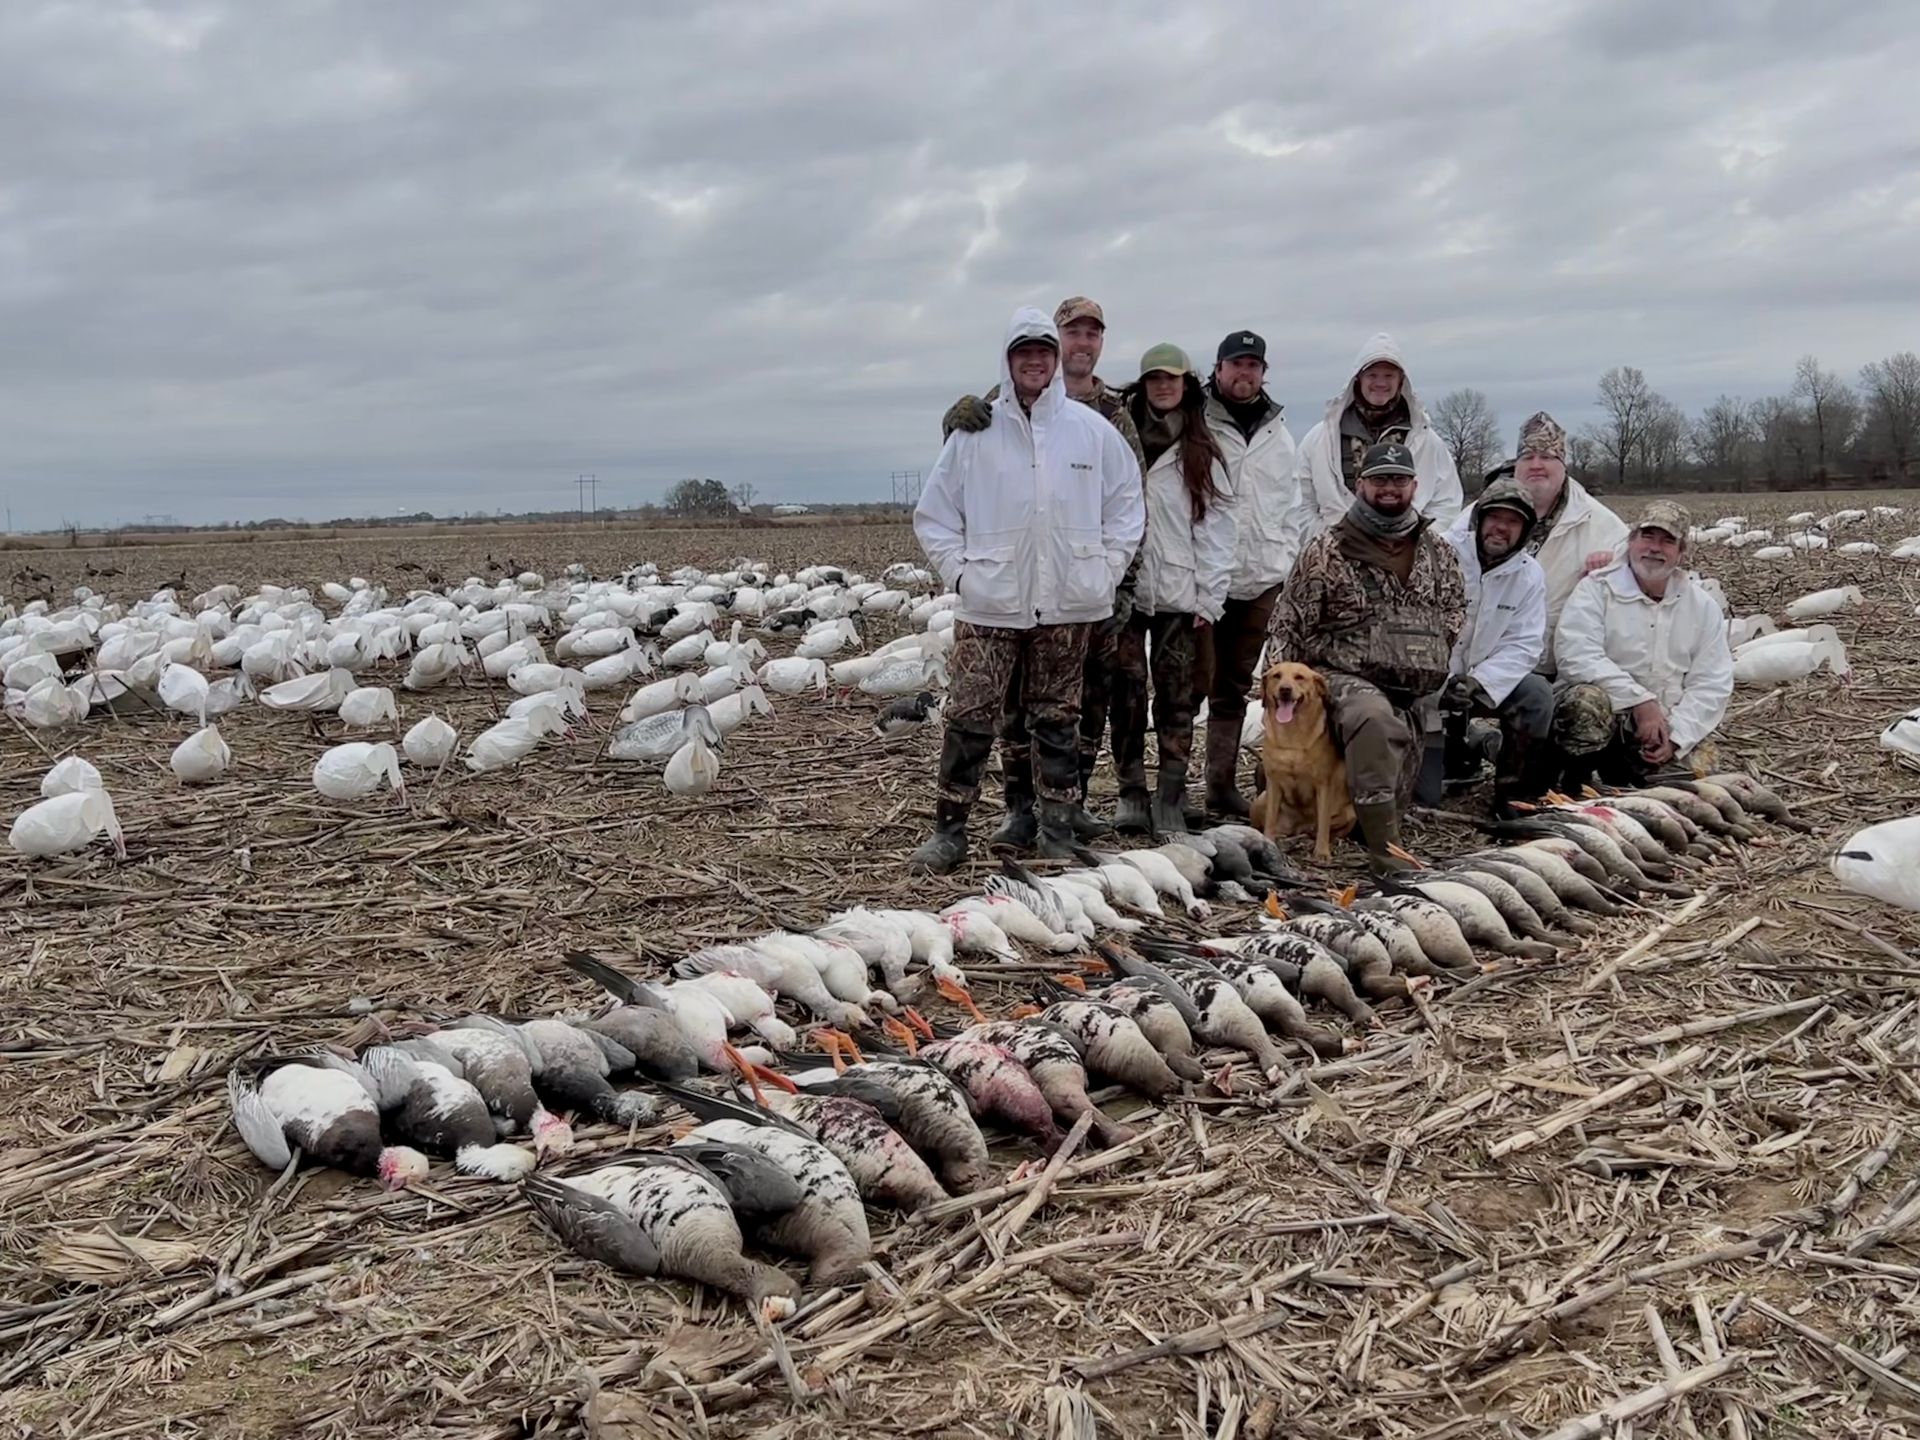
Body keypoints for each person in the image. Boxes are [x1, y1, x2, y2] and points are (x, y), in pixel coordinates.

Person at [911, 307, 1145, 873]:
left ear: (1056, 359)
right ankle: (950, 831)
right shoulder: (976, 433)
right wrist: (962, 576)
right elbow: (934, 515)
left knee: (1058, 718)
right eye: (1024, 352)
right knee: (970, 715)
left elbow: (1127, 507)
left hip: (1068, 602)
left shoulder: (1093, 431)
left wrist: (1105, 570)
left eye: (1044, 352)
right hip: (990, 602)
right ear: (1008, 359)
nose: (1035, 361)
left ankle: (1057, 831)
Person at [1267, 441, 1465, 875]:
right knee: (1372, 716)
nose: (1389, 488)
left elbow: (1454, 607)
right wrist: (1280, 697)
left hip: (1411, 688)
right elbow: (1288, 621)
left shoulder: (1437, 551)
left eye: (1398, 480)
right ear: (1360, 485)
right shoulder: (1326, 550)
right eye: (1379, 480)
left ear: (1414, 486)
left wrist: (1425, 653)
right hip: (1342, 674)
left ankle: (1367, 817)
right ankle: (1386, 854)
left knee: (1412, 789)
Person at [1108, 344, 1235, 835]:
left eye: (1172, 378)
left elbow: (1219, 526)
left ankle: (1170, 793)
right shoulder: (1119, 440)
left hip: (1180, 592)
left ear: (1186, 385)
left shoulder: (1201, 449)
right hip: (1125, 589)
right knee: (1126, 691)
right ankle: (1131, 791)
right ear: (1143, 386)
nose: (1164, 387)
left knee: (1178, 695)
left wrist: (1209, 596)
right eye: (1155, 379)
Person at [1552, 500, 1734, 787]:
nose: (1654, 548)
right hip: (1608, 714)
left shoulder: (1701, 606)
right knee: (1585, 703)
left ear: (1681, 552)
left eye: (1667, 541)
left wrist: (1677, 736)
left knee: (1703, 775)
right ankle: (1575, 779)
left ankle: (1633, 771)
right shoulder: (1596, 589)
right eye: (1647, 537)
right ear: (1631, 541)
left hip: (1663, 721)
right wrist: (1640, 700)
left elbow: (1711, 682)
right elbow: (1576, 655)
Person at [1194, 329, 1300, 819]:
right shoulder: (1196, 422)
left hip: (1259, 579)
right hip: (1204, 578)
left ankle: (1220, 787)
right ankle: (1170, 792)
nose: (1244, 373)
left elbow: (1291, 506)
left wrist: (1283, 558)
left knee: (1235, 687)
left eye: (1253, 366)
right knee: (1190, 684)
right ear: (1218, 369)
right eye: (1236, 364)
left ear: (1263, 373)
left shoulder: (1279, 434)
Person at [1461, 412, 1629, 675]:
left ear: (1564, 465)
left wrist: (1613, 571)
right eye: (1528, 457)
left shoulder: (1604, 527)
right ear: (1516, 465)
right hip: (1476, 661)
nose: (1536, 465)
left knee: (1538, 695)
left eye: (1547, 457)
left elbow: (1636, 590)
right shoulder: (1474, 517)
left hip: (1556, 665)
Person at [1287, 332, 1464, 552]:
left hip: (1405, 561)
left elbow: (1447, 503)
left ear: (1401, 381)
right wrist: (1328, 544)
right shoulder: (1319, 439)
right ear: (1358, 379)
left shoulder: (1427, 441)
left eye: (1389, 375)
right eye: (1372, 375)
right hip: (1333, 556)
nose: (1380, 382)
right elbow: (1300, 502)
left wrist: (1416, 548)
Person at [1439, 477, 1555, 809]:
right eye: (1494, 517)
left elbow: (1524, 644)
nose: (1501, 528)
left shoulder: (1530, 574)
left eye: (1512, 521)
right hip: (1429, 679)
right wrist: (1442, 681)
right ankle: (1460, 749)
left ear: (1526, 530)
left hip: (1481, 683)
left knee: (1535, 694)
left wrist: (1479, 681)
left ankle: (1515, 799)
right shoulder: (1439, 553)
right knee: (1427, 796)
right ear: (1479, 519)